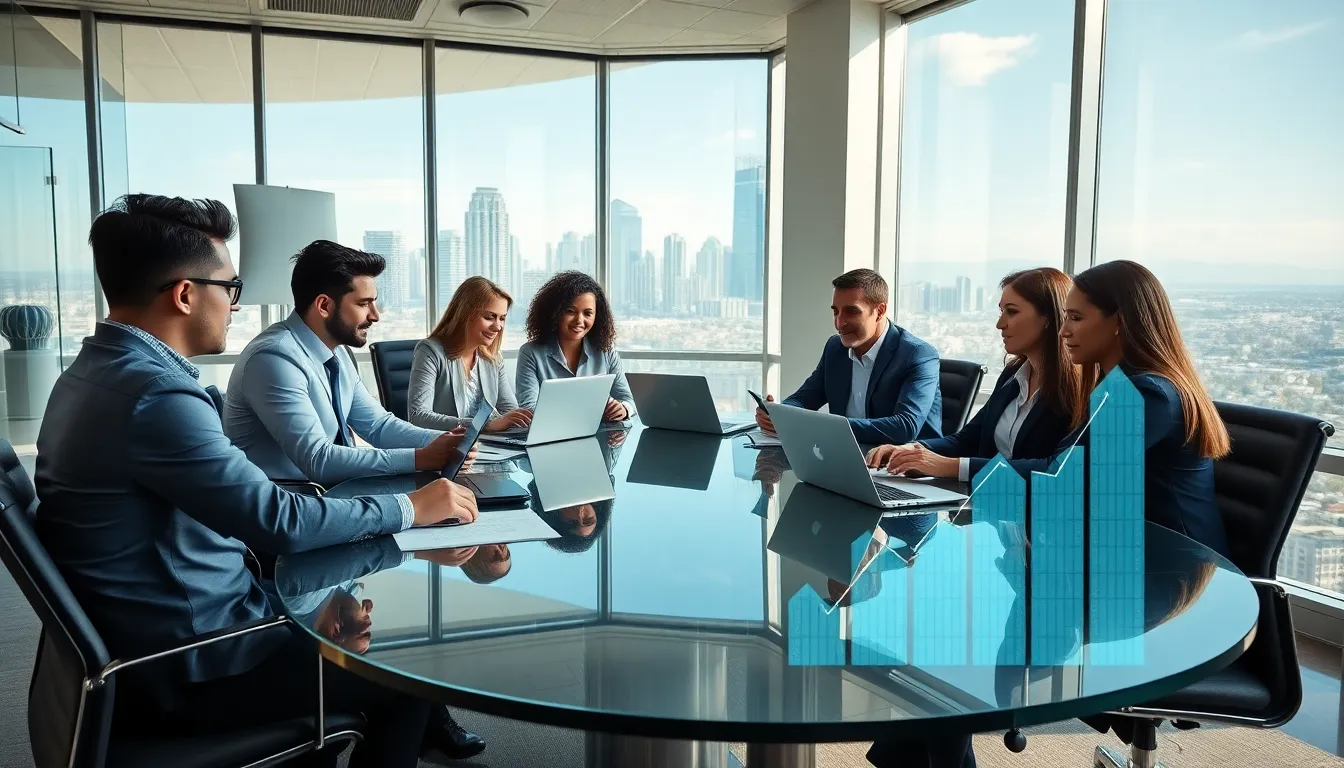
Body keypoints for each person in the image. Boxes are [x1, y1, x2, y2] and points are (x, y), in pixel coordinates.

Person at [34, 194, 481, 768]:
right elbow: (278, 518)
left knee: (354, 624)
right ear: (186, 294)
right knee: (410, 674)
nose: (236, 306)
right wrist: (411, 508)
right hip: (195, 660)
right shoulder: (154, 394)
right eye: (231, 288)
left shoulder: (92, 374)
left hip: (177, 623)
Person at [224, 240, 469, 490]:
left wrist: (446, 441)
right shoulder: (273, 359)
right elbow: (318, 459)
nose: (375, 315)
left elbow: (378, 426)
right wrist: (421, 457)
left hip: (329, 493)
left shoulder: (336, 352)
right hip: (288, 502)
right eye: (363, 304)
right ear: (324, 306)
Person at [865, 267, 1085, 480]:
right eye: (1001, 311)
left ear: (1048, 317)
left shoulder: (1082, 390)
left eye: (1012, 311)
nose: (1000, 324)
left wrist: (950, 467)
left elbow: (1054, 469)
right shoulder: (1013, 373)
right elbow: (969, 439)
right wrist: (910, 450)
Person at [755, 268, 943, 445]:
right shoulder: (835, 348)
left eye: (851, 311)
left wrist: (826, 427)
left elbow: (904, 427)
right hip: (847, 456)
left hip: (906, 468)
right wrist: (779, 415)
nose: (839, 323)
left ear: (880, 311)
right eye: (836, 311)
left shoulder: (917, 354)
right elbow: (804, 399)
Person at [408, 276, 532, 433]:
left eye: (502, 318)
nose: (498, 327)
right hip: (446, 446)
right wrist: (483, 425)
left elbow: (510, 411)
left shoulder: (493, 358)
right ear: (465, 315)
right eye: (489, 317)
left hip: (487, 446)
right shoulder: (430, 352)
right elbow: (418, 416)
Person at [515, 270, 636, 422]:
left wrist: (624, 408)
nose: (579, 320)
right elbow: (529, 409)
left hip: (600, 439)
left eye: (588, 313)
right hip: (551, 438)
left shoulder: (606, 351)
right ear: (555, 312)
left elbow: (628, 399)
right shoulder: (531, 353)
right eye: (570, 311)